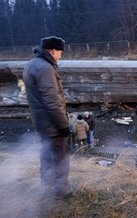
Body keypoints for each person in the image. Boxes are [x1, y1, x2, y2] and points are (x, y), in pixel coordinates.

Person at [22, 36, 73, 199]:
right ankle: (61, 190)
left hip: (41, 122)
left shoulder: (31, 64)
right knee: (60, 156)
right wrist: (64, 126)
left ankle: (46, 185)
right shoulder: (45, 68)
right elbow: (53, 101)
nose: (60, 56)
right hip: (52, 124)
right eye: (60, 52)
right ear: (52, 51)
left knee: (46, 153)